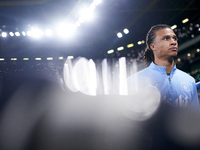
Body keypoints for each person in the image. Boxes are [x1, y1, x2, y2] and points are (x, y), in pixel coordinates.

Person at [127, 24, 199, 108]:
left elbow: (195, 118)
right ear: (153, 46)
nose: (173, 42)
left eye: (174, 38)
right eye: (166, 38)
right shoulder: (134, 81)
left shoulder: (189, 81)